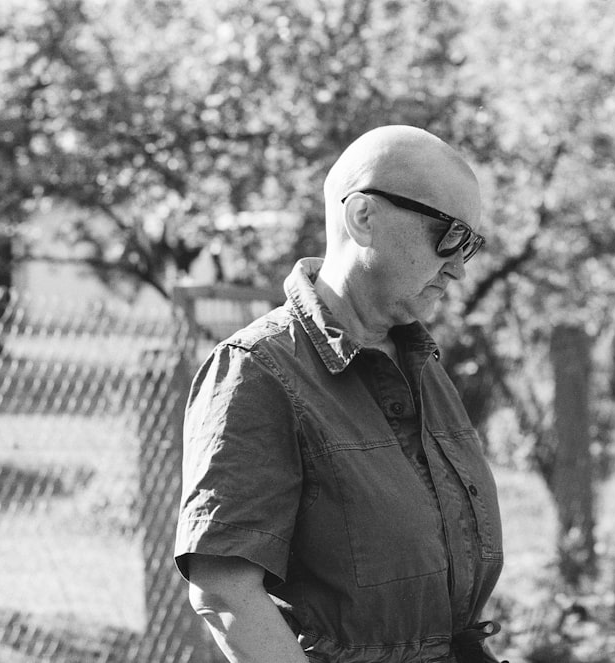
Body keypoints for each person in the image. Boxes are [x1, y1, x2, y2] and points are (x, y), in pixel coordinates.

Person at [174, 125, 505, 663]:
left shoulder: (425, 366)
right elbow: (223, 592)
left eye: (471, 244)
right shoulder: (257, 370)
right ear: (363, 217)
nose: (460, 267)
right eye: (447, 235)